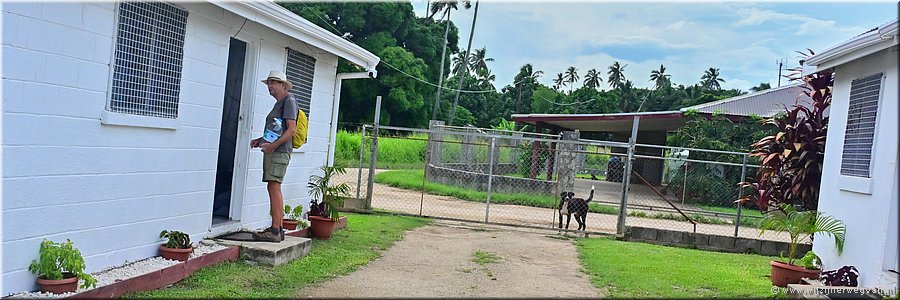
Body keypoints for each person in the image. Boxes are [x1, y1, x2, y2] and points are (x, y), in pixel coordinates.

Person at [250, 70, 298, 242]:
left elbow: (291, 129)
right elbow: (277, 129)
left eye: (273, 82)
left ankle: (276, 230)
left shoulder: (288, 101)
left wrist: (273, 146)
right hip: (274, 150)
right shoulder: (280, 103)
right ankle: (277, 229)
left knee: (274, 187)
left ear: (283, 85)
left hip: (279, 152)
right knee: (272, 187)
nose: (270, 86)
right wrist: (260, 140)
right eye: (269, 82)